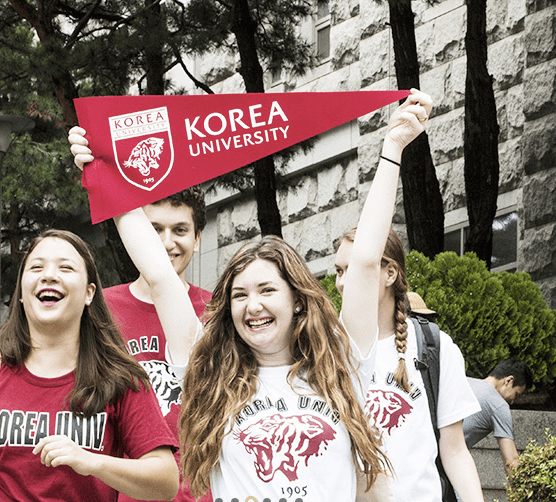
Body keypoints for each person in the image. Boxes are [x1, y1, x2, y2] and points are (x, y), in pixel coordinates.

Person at [72, 89, 434, 500]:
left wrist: (393, 148)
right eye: (239, 295)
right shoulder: (211, 373)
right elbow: (159, 275)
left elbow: (367, 261)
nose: (253, 305)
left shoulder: (341, 364)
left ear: (297, 300)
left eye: (267, 290)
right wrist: (101, 173)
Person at [0, 229, 179, 501]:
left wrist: (91, 462)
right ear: (21, 293)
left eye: (66, 268)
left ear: (89, 293)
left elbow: (165, 481)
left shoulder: (121, 379)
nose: (48, 275)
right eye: (36, 267)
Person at [333, 230, 486, 502]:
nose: (342, 283)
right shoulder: (326, 349)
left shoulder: (435, 346)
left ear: (390, 273)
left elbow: (454, 451)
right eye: (339, 271)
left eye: (353, 270)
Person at [99, 187, 211, 502]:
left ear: (197, 239)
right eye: (154, 230)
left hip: (202, 491)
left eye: (180, 230)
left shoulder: (218, 311)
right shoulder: (100, 311)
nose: (166, 242)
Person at [462, 359, 531, 476]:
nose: (513, 401)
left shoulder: (464, 381)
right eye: (516, 394)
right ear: (509, 380)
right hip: (443, 461)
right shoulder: (499, 405)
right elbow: (511, 462)